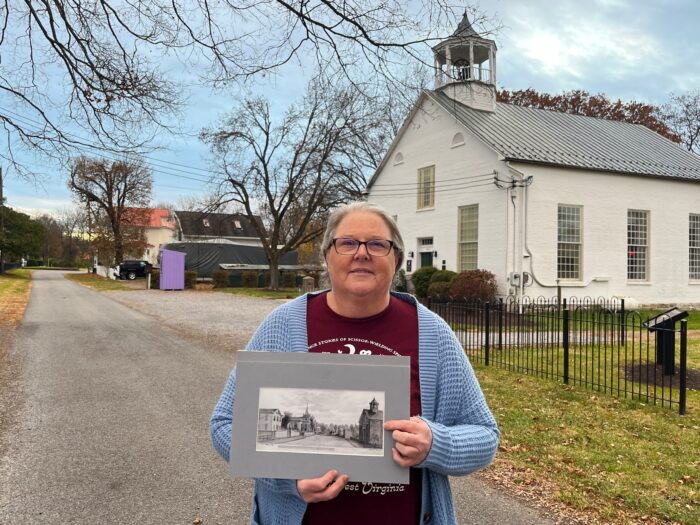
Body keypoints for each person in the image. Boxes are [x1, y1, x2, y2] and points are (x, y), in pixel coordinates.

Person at [210, 201, 499, 525]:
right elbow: (224, 425)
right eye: (347, 242)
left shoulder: (431, 334)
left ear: (397, 260)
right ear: (328, 255)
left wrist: (435, 443)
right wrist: (289, 482)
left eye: (377, 244)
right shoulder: (282, 326)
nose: (362, 253)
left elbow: (485, 436)